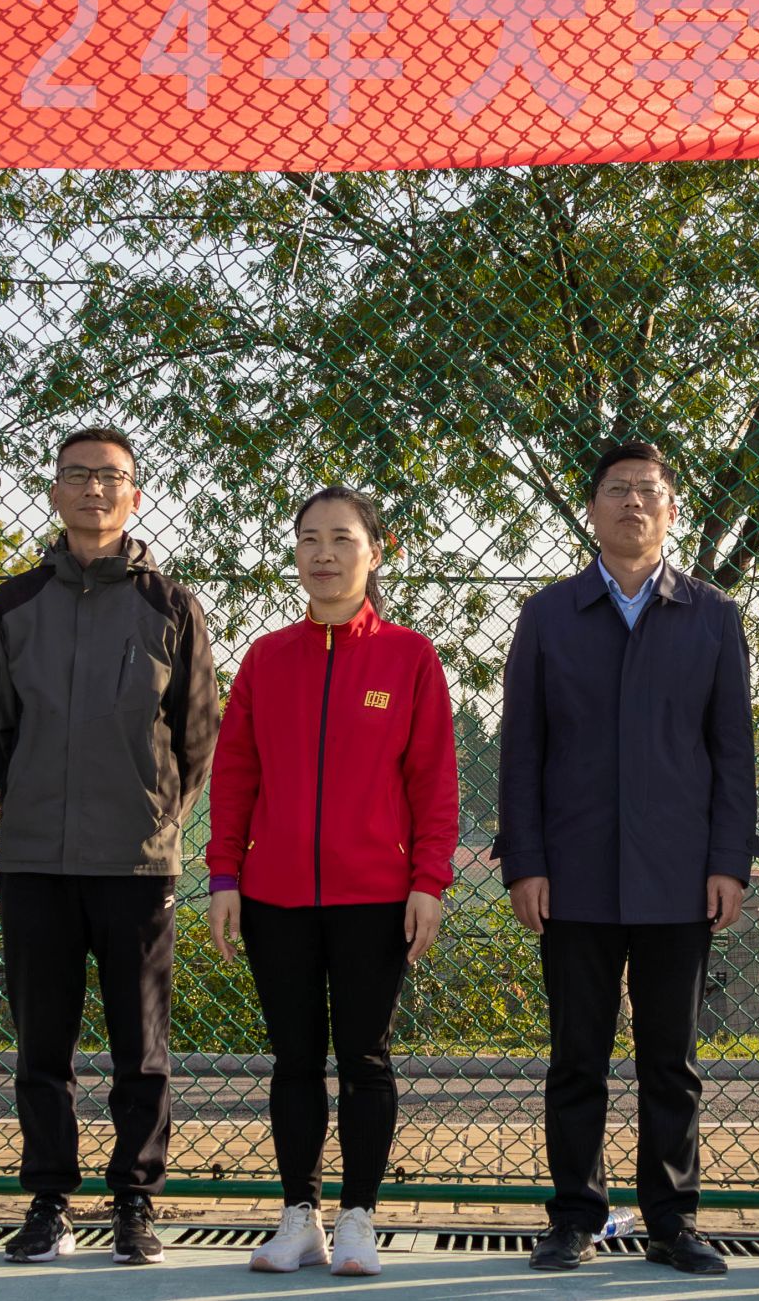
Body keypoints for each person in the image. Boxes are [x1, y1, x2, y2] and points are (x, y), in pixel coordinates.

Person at [496, 441, 757, 1276]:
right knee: (577, 1055)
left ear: (672, 510)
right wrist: (525, 860)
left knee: (670, 1061)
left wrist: (730, 860)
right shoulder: (549, 615)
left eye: (649, 490)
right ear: (592, 508)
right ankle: (575, 1213)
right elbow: (522, 750)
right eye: (617, 489)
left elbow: (733, 751)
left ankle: (673, 1220)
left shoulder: (712, 615)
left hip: (680, 875)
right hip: (573, 873)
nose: (634, 503)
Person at [0, 427, 218, 1266]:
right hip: (35, 860)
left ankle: (135, 1199)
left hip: (135, 864)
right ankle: (49, 1200)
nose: (93, 489)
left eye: (110, 477)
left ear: (134, 495)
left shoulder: (171, 605)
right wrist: (39, 799)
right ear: (55, 491)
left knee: (139, 1049)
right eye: (77, 474)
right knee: (41, 1047)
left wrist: (155, 817)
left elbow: (196, 735)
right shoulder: (13, 603)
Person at [205, 487, 459, 1277]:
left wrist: (429, 880)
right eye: (309, 538)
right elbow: (234, 772)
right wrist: (224, 874)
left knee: (365, 1060)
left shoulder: (409, 657)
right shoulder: (265, 657)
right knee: (293, 1059)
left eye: (342, 538)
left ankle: (358, 1216)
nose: (324, 553)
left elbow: (433, 781)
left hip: (375, 896)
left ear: (375, 552)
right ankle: (299, 1215)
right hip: (275, 894)